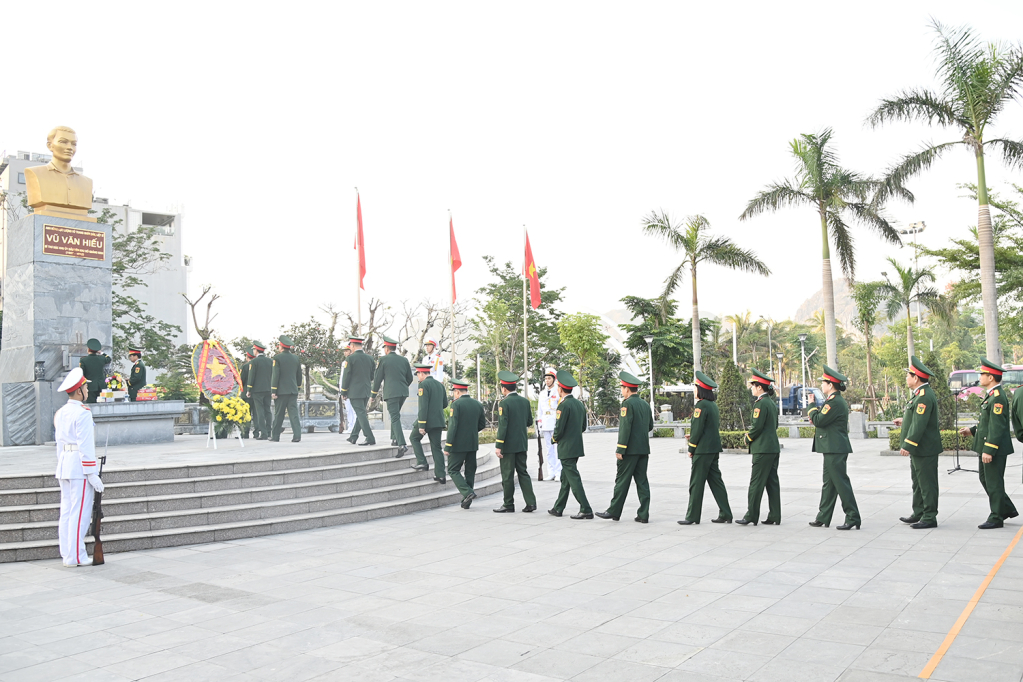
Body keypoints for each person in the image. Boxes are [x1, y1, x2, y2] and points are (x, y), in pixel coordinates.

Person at [54, 368, 104, 567]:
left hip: (65, 465)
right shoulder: (82, 413)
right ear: (77, 391)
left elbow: (59, 444)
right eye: (85, 387)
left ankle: (67, 554)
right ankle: (76, 556)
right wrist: (92, 473)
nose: (87, 390)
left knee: (66, 512)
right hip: (79, 468)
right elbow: (85, 445)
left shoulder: (61, 412)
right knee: (79, 513)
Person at [960, 358, 1018, 529]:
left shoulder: (998, 398)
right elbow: (987, 423)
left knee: (994, 482)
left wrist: (989, 450)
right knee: (985, 479)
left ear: (991, 377)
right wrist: (972, 430)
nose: (980, 376)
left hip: (994, 449)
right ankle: (1006, 508)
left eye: (982, 374)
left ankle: (996, 517)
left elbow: (998, 427)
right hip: (986, 446)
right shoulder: (991, 395)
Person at [808, 365, 861, 530]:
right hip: (831, 447)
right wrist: (816, 414)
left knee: (840, 483)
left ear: (830, 384)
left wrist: (811, 407)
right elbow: (821, 418)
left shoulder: (835, 402)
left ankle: (853, 517)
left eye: (823, 382)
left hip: (835, 448)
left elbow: (819, 420)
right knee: (829, 484)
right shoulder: (832, 401)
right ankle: (823, 516)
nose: (822, 385)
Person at [678, 371, 732, 525]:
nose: (694, 391)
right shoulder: (712, 405)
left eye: (695, 388)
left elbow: (698, 429)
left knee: (696, 484)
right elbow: (707, 428)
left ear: (700, 389)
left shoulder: (700, 406)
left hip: (702, 451)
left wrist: (691, 447)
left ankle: (692, 516)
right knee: (716, 482)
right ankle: (726, 513)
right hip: (713, 449)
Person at [597, 371, 652, 523]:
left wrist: (620, 449)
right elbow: (650, 426)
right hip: (643, 449)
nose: (622, 391)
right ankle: (643, 514)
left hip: (629, 451)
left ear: (627, 389)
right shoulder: (645, 404)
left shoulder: (626, 404)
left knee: (622, 481)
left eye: (622, 388)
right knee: (642, 482)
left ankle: (614, 511)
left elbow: (625, 428)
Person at [894, 356, 942, 529]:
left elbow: (919, 424)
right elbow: (915, 418)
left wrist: (907, 444)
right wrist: (904, 420)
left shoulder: (924, 396)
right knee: (918, 482)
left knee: (927, 483)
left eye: (908, 375)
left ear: (916, 378)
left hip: (925, 448)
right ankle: (919, 512)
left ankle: (929, 516)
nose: (906, 378)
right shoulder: (919, 395)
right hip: (920, 448)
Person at [735, 369, 781, 526]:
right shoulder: (771, 403)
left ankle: (751, 515)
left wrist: (748, 438)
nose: (751, 388)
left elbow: (756, 427)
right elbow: (774, 425)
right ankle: (775, 515)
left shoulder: (760, 404)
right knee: (772, 483)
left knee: (756, 483)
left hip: (762, 449)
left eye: (753, 385)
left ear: (760, 387)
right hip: (773, 448)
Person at [548, 370, 592, 519]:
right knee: (565, 478)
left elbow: (559, 429)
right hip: (576, 446)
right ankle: (558, 507)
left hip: (566, 447)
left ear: (560, 389)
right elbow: (583, 427)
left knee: (573, 478)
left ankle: (585, 508)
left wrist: (554, 439)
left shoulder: (563, 406)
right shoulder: (579, 404)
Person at [24, 126, 94, 219]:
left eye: (74, 144)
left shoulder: (86, 182)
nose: (70, 147)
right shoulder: (35, 173)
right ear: (50, 145)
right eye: (63, 142)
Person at [493, 371, 538, 513]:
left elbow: (503, 426)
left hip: (508, 445)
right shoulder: (525, 401)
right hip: (522, 444)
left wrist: (499, 445)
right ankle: (531, 502)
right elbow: (529, 422)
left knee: (507, 475)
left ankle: (508, 504)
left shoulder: (504, 403)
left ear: (504, 388)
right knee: (523, 472)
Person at [445, 378, 487, 508]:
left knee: (452, 469)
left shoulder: (456, 405)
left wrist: (448, 445)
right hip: (472, 443)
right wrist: (471, 433)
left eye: (454, 392)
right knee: (470, 470)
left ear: (457, 392)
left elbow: (452, 426)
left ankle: (467, 492)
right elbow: (482, 424)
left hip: (458, 445)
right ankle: (466, 500)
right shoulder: (478, 404)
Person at [372, 335, 414, 456]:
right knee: (395, 415)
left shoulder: (383, 360)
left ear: (386, 348)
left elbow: (377, 379)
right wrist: (403, 386)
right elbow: (409, 378)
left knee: (394, 417)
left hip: (391, 393)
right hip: (403, 392)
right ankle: (394, 439)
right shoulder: (404, 360)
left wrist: (373, 394)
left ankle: (402, 444)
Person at [411, 363, 448, 479]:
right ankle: (441, 475)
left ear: (421, 373)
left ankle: (422, 461)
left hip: (426, 420)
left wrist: (422, 424)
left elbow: (423, 406)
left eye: (418, 374)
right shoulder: (440, 385)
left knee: (414, 438)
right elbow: (445, 404)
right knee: (436, 447)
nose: (418, 377)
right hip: (438, 421)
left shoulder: (423, 385)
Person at [341, 337, 376, 446]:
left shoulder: (350, 359)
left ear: (352, 346)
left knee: (360, 414)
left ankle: (370, 437)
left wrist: (343, 391)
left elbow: (346, 377)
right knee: (361, 413)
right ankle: (353, 436)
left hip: (355, 391)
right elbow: (372, 376)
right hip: (366, 390)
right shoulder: (370, 358)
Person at [270, 335, 303, 442]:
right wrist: (297, 387)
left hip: (281, 391)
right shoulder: (295, 358)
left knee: (279, 414)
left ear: (281, 346)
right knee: (294, 414)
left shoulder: (277, 358)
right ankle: (297, 435)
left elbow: (276, 375)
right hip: (293, 390)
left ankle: (275, 436)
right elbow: (299, 374)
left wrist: (274, 390)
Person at [536, 368, 562, 481]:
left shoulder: (558, 392)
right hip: (546, 423)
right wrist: (539, 423)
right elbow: (540, 410)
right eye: (546, 378)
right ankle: (550, 472)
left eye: (549, 378)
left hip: (555, 422)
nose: (547, 381)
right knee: (548, 450)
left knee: (556, 449)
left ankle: (558, 473)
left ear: (554, 379)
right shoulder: (542, 393)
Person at [246, 342, 272, 440]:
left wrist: (249, 389)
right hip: (268, 389)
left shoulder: (254, 362)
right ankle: (269, 432)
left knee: (259, 411)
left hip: (257, 390)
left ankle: (264, 433)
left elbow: (251, 377)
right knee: (268, 410)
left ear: (256, 350)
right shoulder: (270, 361)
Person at [79, 338, 110, 404]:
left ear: (88, 349)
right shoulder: (101, 358)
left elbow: (82, 374)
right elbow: (109, 358)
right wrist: (101, 353)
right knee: (103, 404)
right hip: (102, 385)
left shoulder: (84, 360)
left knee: (91, 405)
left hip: (90, 386)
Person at [339, 347, 357, 434]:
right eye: (344, 351)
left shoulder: (352, 361)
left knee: (353, 409)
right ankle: (350, 426)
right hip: (344, 389)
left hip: (350, 389)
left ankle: (354, 427)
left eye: (347, 351)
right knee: (348, 409)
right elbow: (342, 377)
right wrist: (341, 389)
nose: (345, 353)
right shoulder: (344, 362)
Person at [239, 350, 255, 438]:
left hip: (246, 393)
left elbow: (241, 381)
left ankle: (245, 433)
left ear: (247, 357)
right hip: (256, 393)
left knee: (246, 414)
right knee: (256, 414)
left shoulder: (245, 367)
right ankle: (256, 433)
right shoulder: (258, 365)